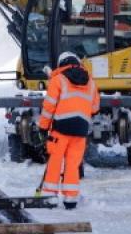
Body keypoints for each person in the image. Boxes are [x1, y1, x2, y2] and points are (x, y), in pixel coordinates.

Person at [37, 52, 99, 210]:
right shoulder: (90, 82)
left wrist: (43, 127)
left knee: (55, 161)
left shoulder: (58, 79)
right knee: (73, 164)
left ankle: (50, 197)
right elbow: (95, 108)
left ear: (61, 64)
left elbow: (49, 107)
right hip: (80, 130)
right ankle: (71, 199)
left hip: (60, 129)